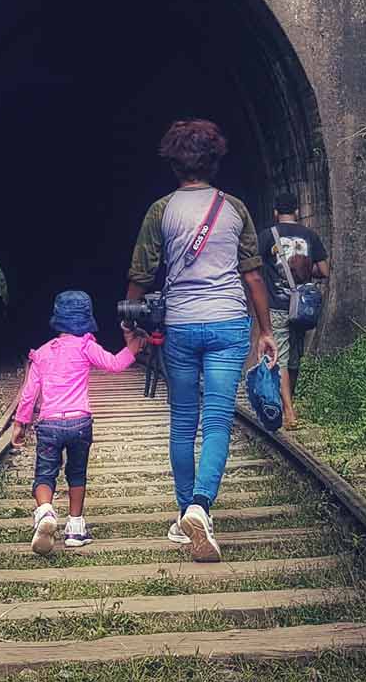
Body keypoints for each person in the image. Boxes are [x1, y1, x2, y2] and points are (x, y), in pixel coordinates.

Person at [127, 119, 277, 564]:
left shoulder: (161, 211)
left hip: (181, 325)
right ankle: (201, 506)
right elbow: (252, 274)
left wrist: (130, 321)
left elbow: (140, 273)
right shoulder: (235, 209)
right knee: (216, 420)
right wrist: (265, 330)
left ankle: (184, 512)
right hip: (229, 322)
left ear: (173, 163)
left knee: (182, 420)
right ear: (214, 161)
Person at [11, 290, 142, 554]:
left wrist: (20, 423)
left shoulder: (43, 353)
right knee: (77, 473)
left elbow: (29, 392)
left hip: (48, 424)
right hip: (80, 423)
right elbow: (115, 364)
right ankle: (75, 528)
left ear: (57, 320)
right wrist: (134, 346)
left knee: (44, 474)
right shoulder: (86, 346)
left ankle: (46, 512)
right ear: (87, 320)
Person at [259, 194, 329, 431]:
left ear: (275, 212)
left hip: (277, 305)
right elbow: (324, 270)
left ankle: (288, 411)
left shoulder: (268, 235)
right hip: (302, 307)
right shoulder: (310, 236)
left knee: (281, 357)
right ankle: (291, 401)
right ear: (298, 212)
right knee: (295, 357)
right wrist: (306, 273)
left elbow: (253, 269)